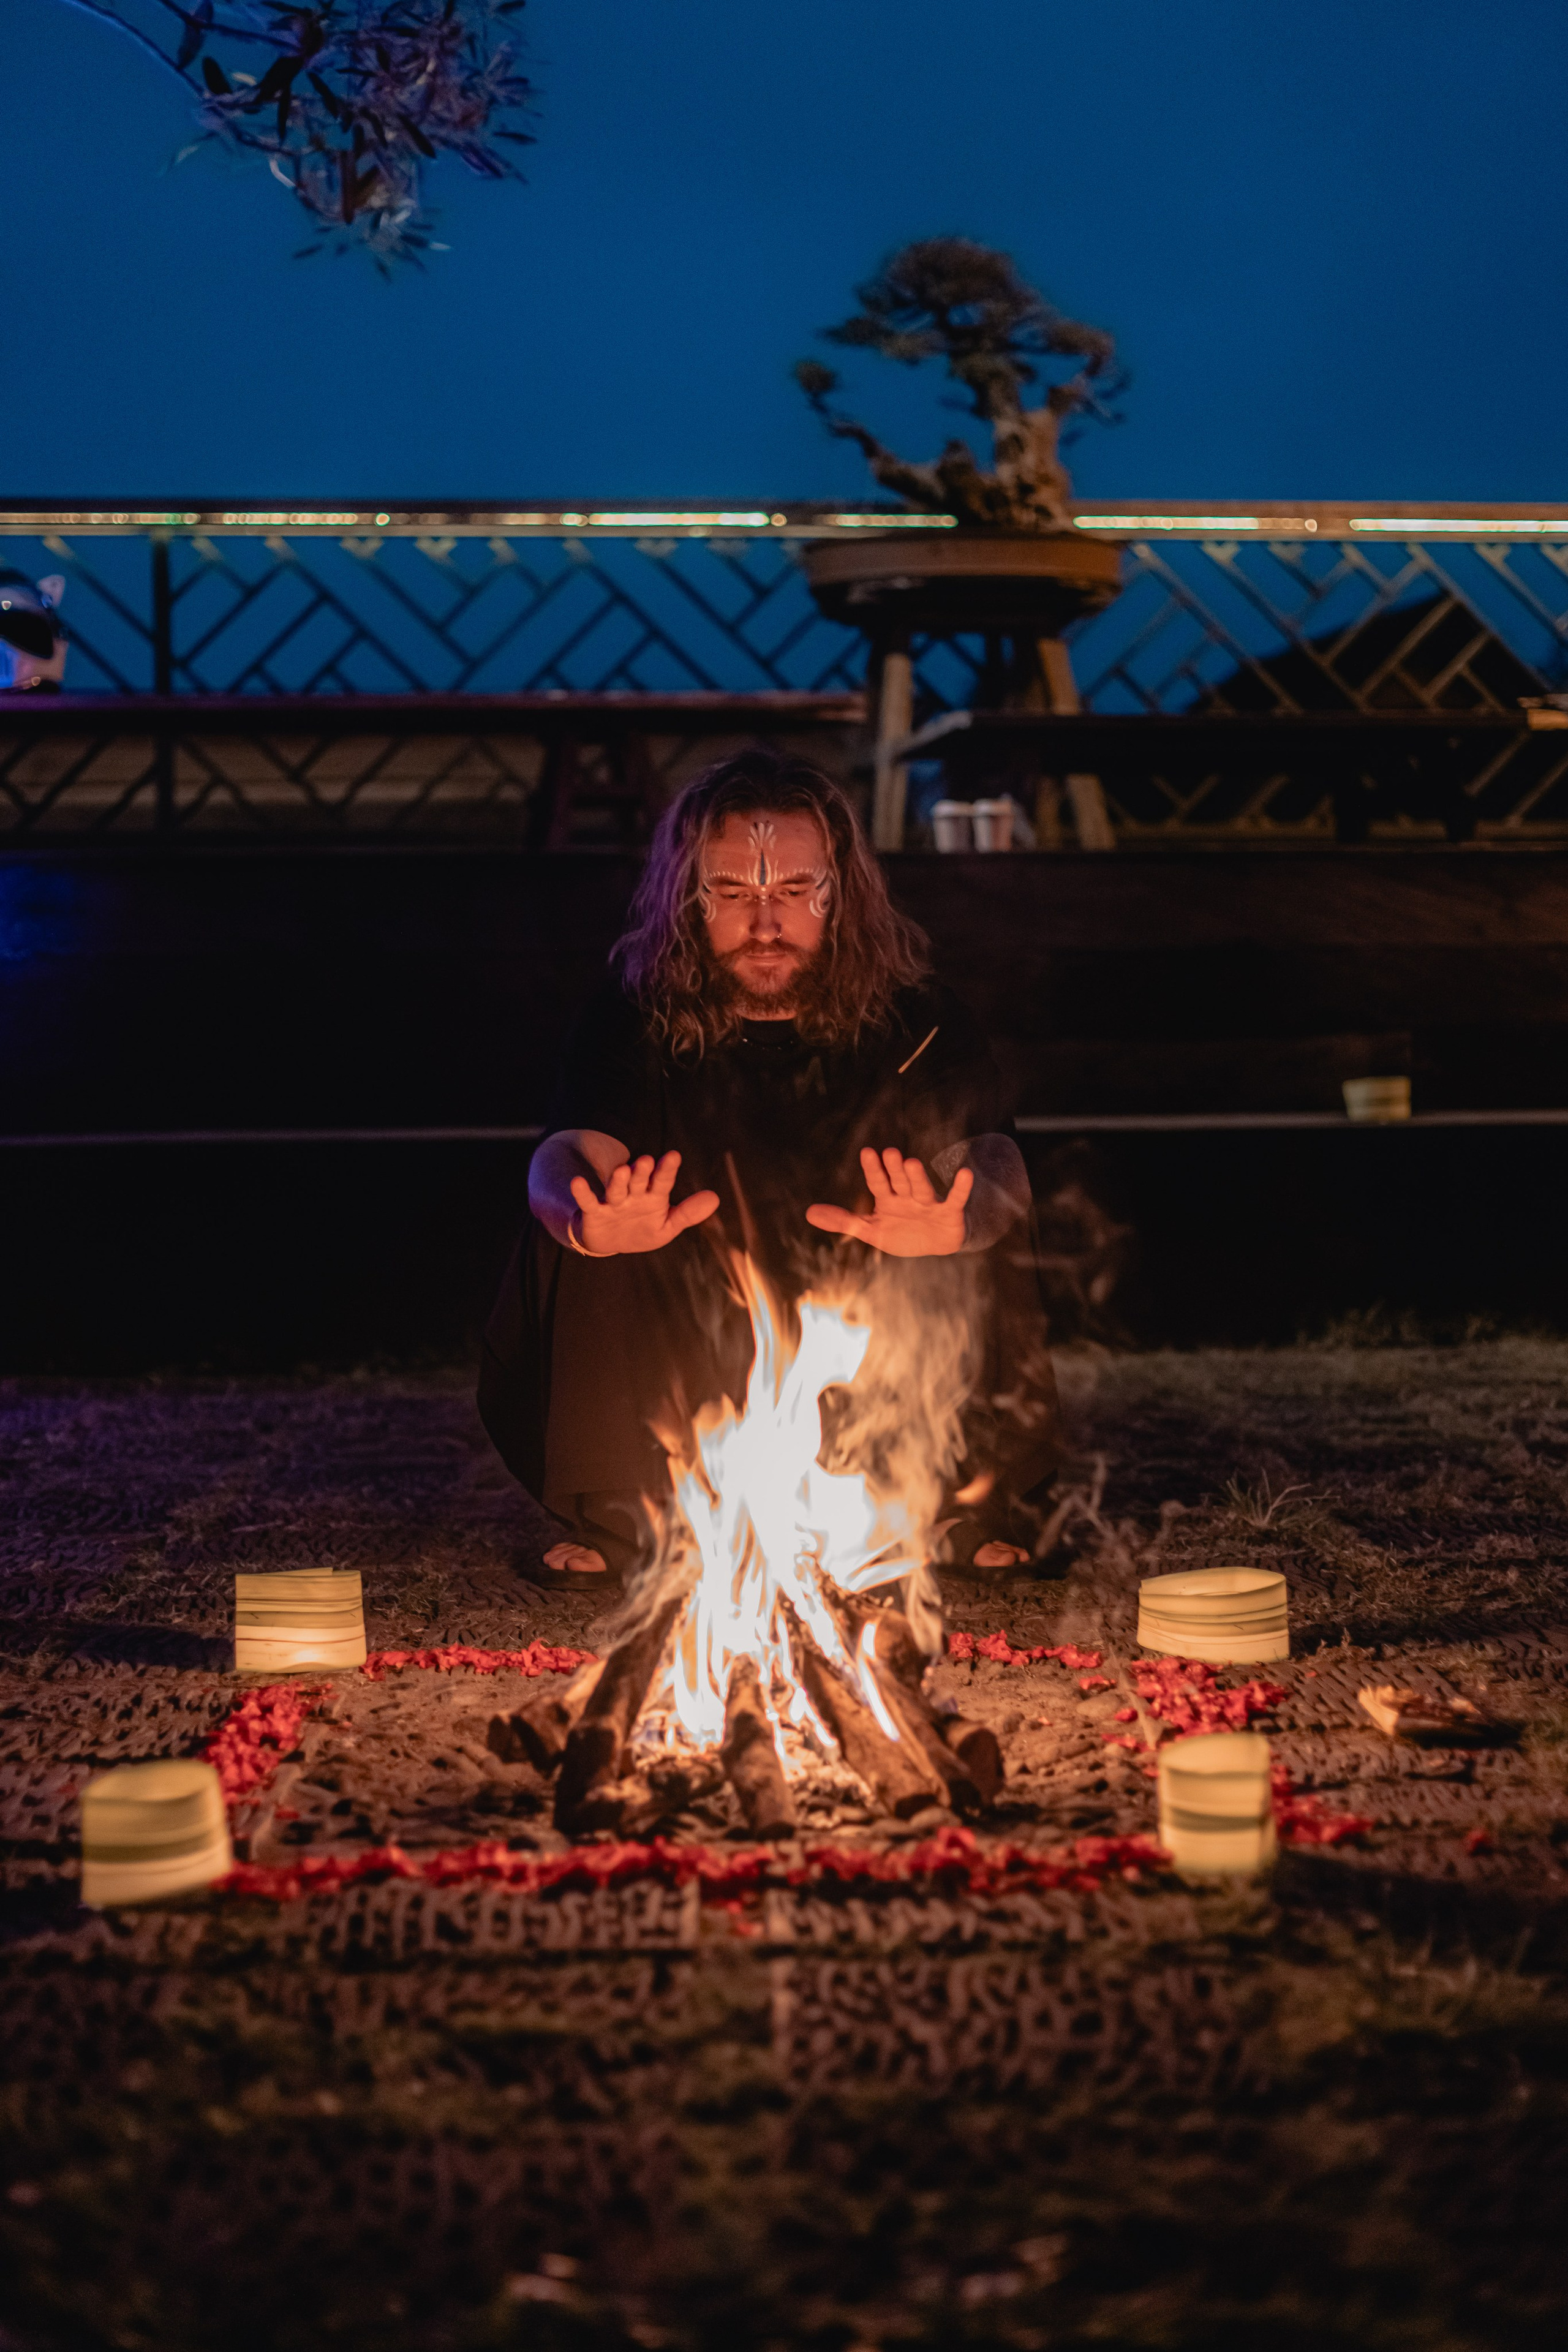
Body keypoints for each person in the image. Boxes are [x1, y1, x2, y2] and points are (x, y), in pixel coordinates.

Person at [478, 747, 1061, 1578]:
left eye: (793, 891)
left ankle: (959, 1507)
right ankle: (619, 1518)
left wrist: (959, 1218)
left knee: (974, 1225)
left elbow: (998, 1159)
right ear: (688, 897)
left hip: (873, 1344)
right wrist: (583, 1214)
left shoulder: (916, 1012)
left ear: (842, 893)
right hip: (694, 1351)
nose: (765, 924)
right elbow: (570, 1148)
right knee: (575, 1227)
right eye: (733, 894)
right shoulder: (635, 1011)